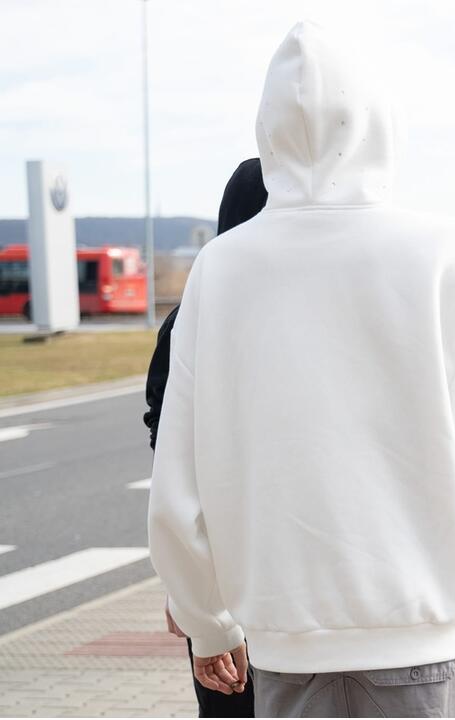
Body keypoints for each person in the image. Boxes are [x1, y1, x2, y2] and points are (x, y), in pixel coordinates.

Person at [148, 21, 455, 718]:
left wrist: (208, 619)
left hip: (284, 651)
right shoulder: (449, 254)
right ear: (378, 124)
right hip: (425, 644)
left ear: (268, 131)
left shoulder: (222, 270)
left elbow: (180, 476)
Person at [143, 157, 266, 717]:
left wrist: (191, 596)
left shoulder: (187, 320)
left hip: (221, 570)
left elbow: (170, 460)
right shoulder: (313, 311)